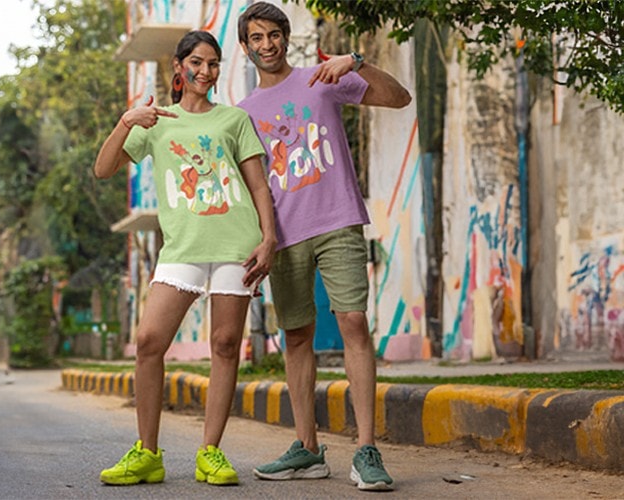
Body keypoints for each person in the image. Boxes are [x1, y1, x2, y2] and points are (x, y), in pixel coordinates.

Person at [236, 2, 411, 491]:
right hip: (284, 236)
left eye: (274, 34)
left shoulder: (322, 79)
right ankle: (307, 449)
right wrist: (259, 243)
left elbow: (400, 98)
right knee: (296, 336)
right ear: (245, 46)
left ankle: (367, 450)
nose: (266, 44)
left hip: (337, 221)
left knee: (353, 321)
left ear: (286, 37)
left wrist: (356, 61)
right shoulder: (243, 114)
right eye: (256, 37)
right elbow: (250, 189)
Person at [94, 30, 276, 487]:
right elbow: (102, 169)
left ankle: (210, 452)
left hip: (237, 245)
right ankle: (148, 453)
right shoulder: (157, 121)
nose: (205, 71)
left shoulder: (233, 120)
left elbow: (257, 186)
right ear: (179, 67)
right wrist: (127, 120)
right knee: (149, 340)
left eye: (213, 64)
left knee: (225, 346)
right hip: (183, 248)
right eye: (196, 62)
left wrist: (269, 238)